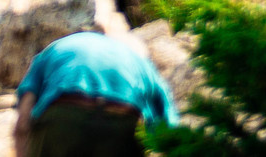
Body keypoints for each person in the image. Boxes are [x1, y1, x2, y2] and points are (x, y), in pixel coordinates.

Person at [12, 31, 177, 157]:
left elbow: (22, 125)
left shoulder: (50, 53)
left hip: (65, 113)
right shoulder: (141, 63)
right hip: (124, 116)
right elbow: (172, 130)